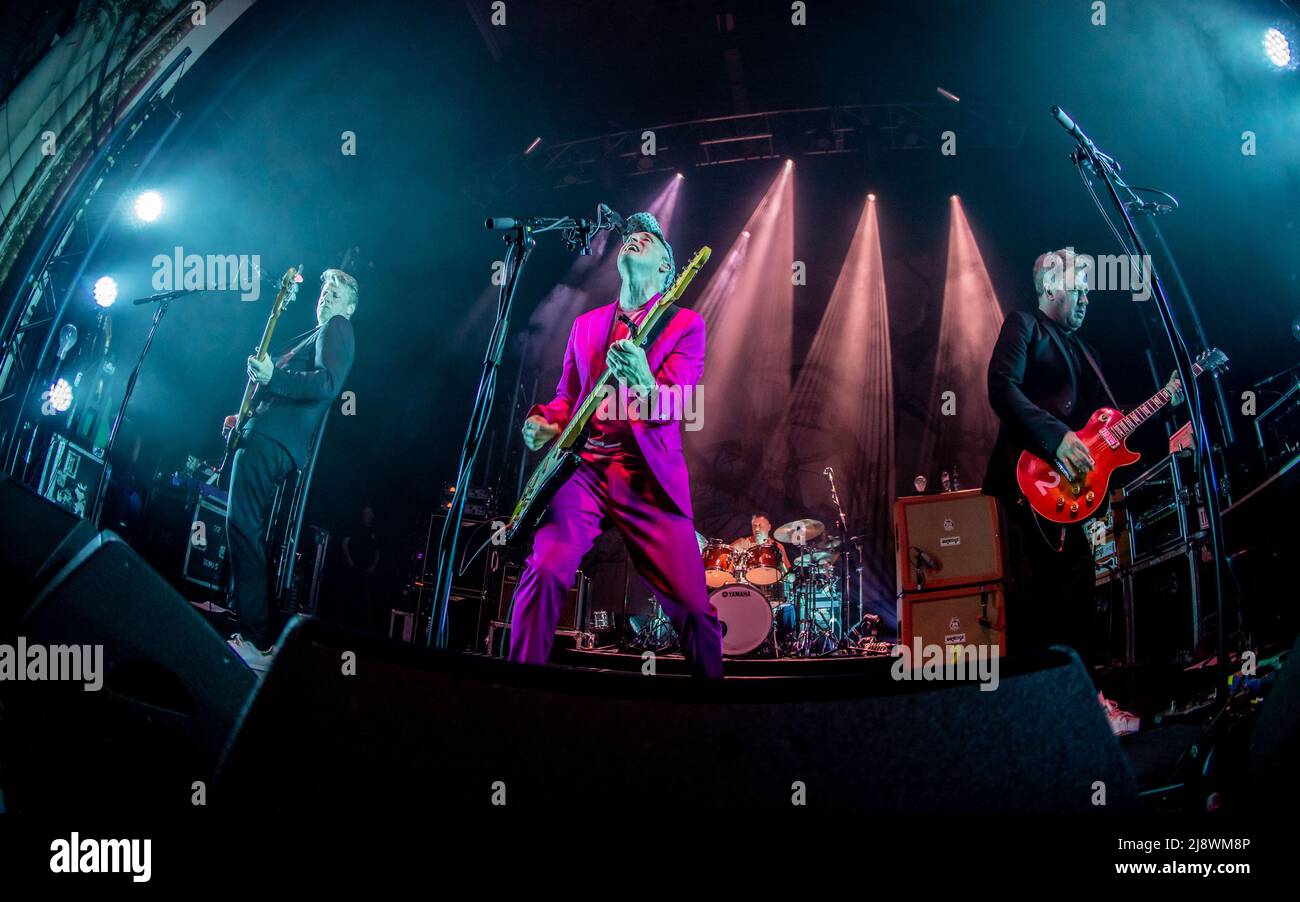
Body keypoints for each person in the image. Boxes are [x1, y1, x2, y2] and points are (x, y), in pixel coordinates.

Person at [513, 212, 723, 677]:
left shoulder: (685, 325)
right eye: (631, 237)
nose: (634, 241)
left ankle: (714, 705)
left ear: (667, 269)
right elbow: (568, 398)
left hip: (646, 476)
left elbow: (678, 403)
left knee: (691, 606)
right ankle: (517, 689)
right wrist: (542, 422)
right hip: (584, 470)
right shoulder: (586, 324)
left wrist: (644, 381)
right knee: (544, 570)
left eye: (647, 240)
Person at [983, 248, 1181, 658]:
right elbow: (1002, 387)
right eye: (1080, 290)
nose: (1088, 299)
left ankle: (1086, 697)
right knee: (1040, 596)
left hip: (1068, 495)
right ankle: (1057, 703)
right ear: (1052, 286)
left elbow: (1107, 426)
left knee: (1075, 590)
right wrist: (1055, 437)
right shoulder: (1024, 325)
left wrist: (1166, 400)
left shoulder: (1086, 352)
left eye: (1090, 292)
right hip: (1031, 483)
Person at [222, 268, 358, 673]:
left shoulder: (338, 327)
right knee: (246, 527)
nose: (327, 295)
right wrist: (242, 416)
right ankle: (255, 634)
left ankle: (254, 636)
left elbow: (327, 383)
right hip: (265, 433)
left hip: (274, 440)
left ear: (350, 307)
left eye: (336, 292)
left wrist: (273, 376)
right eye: (324, 289)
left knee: (242, 524)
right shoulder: (313, 334)